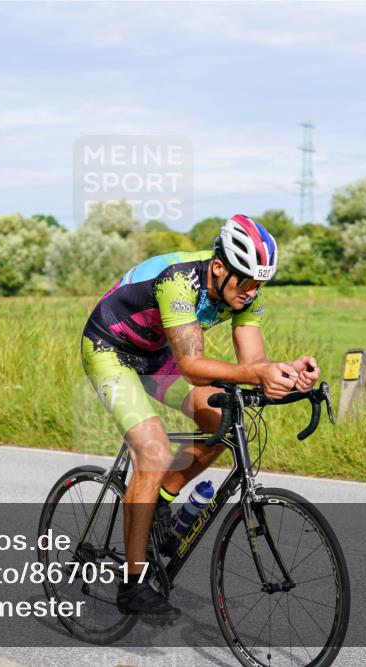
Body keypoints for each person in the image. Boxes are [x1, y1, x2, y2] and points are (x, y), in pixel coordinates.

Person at [80, 213, 321, 623]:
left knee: (221, 419)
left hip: (158, 358)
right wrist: (258, 374)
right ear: (218, 266)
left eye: (260, 284)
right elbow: (192, 366)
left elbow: (253, 364)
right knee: (153, 450)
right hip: (110, 350)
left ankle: (162, 500)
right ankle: (133, 584)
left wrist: (287, 374)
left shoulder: (245, 293)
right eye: (245, 281)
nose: (251, 292)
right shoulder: (179, 280)